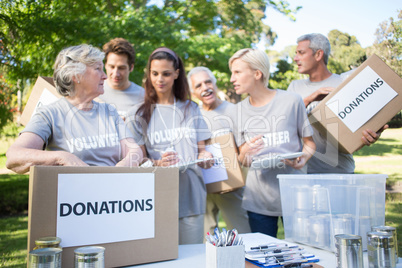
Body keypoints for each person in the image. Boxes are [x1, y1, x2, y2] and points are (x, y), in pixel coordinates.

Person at [6, 44, 143, 174]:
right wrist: (63, 158)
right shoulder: (49, 114)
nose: (105, 76)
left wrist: (122, 167)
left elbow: (134, 151)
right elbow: (14, 157)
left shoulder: (110, 111)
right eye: (97, 69)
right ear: (76, 75)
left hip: (112, 193)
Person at [125, 47, 213, 245]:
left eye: (166, 73)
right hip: (156, 200)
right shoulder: (136, 115)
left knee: (192, 258)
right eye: (154, 73)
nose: (160, 79)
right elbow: (138, 161)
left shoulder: (191, 109)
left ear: (176, 74)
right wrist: (158, 163)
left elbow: (202, 151)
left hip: (192, 198)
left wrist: (206, 157)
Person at [229, 48, 316, 237]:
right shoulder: (236, 111)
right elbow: (242, 160)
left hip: (296, 197)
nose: (231, 79)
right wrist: (246, 152)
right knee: (264, 260)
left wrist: (304, 158)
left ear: (257, 73)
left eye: (237, 72)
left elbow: (309, 143)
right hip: (259, 201)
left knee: (303, 255)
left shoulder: (292, 101)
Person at [287, 33, 387, 174]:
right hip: (303, 172)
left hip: (339, 172)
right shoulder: (294, 87)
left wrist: (370, 135)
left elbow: (357, 127)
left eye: (301, 53)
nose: (295, 58)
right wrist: (311, 98)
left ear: (318, 55)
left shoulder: (344, 84)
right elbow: (285, 122)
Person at [188, 66, 251, 235]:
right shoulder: (193, 116)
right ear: (192, 92)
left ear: (215, 85)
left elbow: (244, 147)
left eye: (208, 82)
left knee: (242, 234)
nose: (205, 88)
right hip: (203, 188)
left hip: (232, 186)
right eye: (198, 85)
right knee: (204, 239)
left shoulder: (234, 111)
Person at [99, 38, 145, 119]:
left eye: (121, 68)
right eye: (112, 67)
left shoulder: (143, 96)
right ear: (105, 65)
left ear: (131, 67)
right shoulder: (93, 92)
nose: (116, 73)